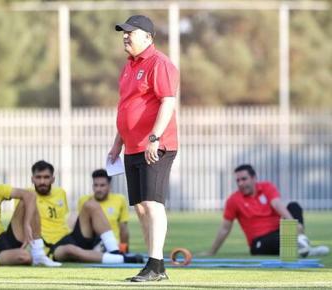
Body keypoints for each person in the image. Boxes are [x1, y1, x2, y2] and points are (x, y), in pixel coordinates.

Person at [109, 15, 179, 282]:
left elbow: (167, 103)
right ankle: (155, 266)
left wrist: (154, 138)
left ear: (148, 37)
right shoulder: (128, 66)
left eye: (131, 32)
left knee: (152, 203)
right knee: (139, 207)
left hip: (156, 145)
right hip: (132, 147)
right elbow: (127, 107)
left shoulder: (159, 64)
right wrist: (118, 143)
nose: (125, 36)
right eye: (123, 33)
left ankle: (155, 263)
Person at [26, 160, 143, 264]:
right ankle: (120, 259)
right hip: (52, 247)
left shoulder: (60, 193)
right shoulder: (27, 197)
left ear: (53, 179)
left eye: (46, 177)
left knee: (91, 205)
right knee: (70, 249)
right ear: (32, 179)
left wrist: (124, 247)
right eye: (38, 177)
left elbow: (66, 219)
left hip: (69, 237)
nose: (42, 181)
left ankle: (115, 251)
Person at [202, 164, 330, 257]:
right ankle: (304, 247)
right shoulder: (233, 200)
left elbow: (277, 205)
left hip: (279, 231)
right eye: (238, 180)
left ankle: (301, 242)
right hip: (259, 241)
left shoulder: (267, 187)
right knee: (281, 241)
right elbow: (225, 228)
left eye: (244, 179)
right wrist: (211, 251)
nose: (240, 183)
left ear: (254, 178)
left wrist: (294, 224)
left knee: (293, 206)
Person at [77, 169, 130, 253]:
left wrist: (124, 250)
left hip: (113, 245)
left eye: (102, 185)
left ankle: (112, 251)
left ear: (109, 186)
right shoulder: (84, 201)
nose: (98, 189)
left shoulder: (119, 200)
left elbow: (123, 228)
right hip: (91, 244)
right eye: (96, 185)